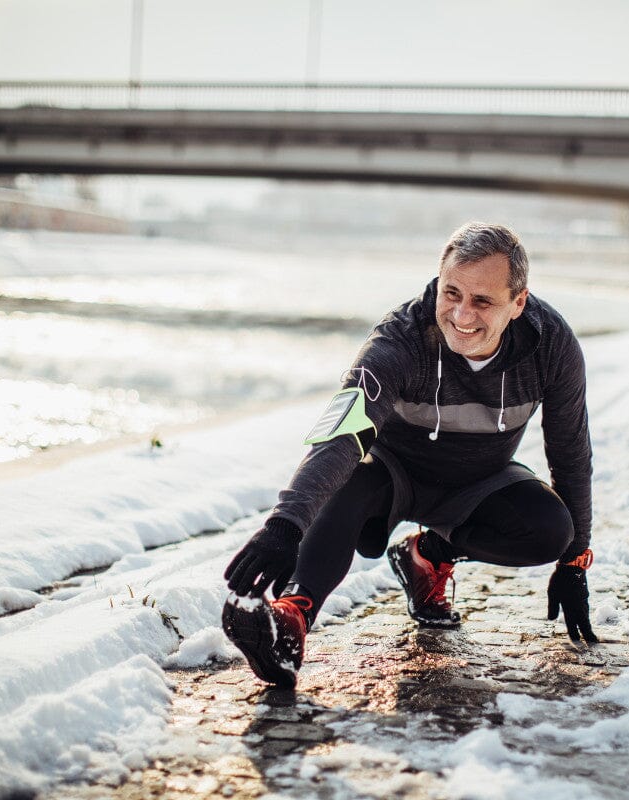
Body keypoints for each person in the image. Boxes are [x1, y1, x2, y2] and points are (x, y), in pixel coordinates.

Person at [222, 222, 597, 687]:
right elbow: (342, 433)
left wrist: (574, 559)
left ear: (518, 302)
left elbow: (570, 451)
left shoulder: (552, 347)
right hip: (389, 474)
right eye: (451, 292)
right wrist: (284, 525)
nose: (461, 315)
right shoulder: (399, 342)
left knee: (550, 531)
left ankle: (428, 555)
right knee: (348, 475)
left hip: (479, 481)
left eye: (483, 301)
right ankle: (290, 621)